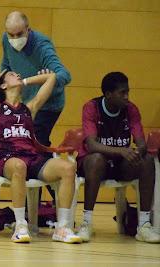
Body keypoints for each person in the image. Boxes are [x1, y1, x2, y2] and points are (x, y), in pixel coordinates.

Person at [0, 68, 81, 244]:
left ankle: (62, 227)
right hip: (8, 158)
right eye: (12, 75)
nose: (18, 75)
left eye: (18, 74)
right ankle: (20, 225)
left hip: (32, 158)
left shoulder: (30, 108)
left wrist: (24, 81)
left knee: (68, 168)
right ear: (3, 85)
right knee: (19, 166)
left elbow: (51, 77)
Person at [76, 72, 160, 243]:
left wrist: (139, 150)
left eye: (127, 92)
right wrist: (121, 151)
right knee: (96, 158)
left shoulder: (131, 109)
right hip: (95, 165)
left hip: (120, 166)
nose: (127, 97)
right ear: (108, 94)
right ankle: (87, 223)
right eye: (122, 93)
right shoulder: (92, 107)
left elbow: (141, 142)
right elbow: (91, 145)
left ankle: (143, 225)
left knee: (148, 161)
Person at [1, 11, 71, 204]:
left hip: (49, 105)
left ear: (28, 30)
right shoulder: (6, 40)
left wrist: (43, 79)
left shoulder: (42, 45)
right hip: (26, 104)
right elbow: (6, 64)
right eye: (11, 35)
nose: (14, 39)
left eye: (19, 34)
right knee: (36, 149)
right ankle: (41, 205)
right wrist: (2, 86)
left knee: (33, 145)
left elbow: (65, 75)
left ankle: (39, 204)